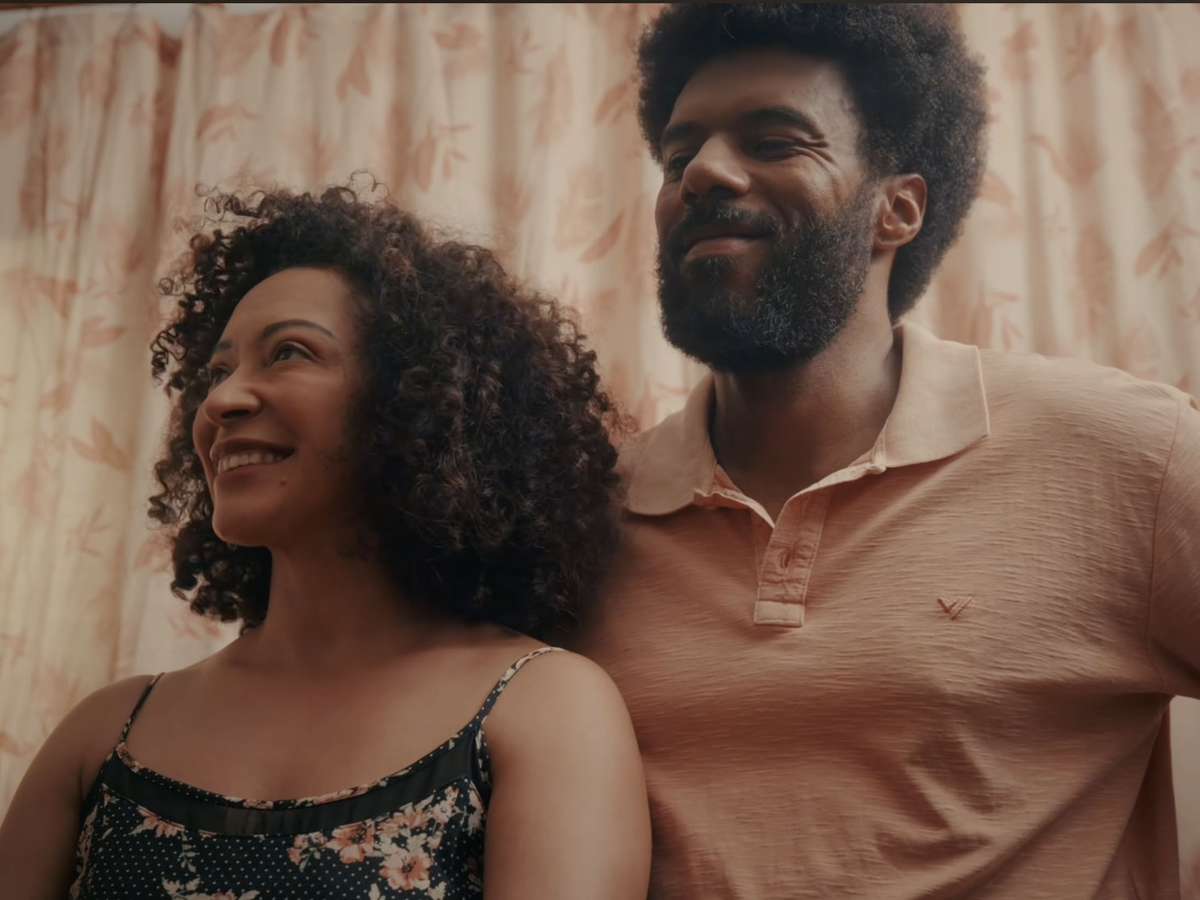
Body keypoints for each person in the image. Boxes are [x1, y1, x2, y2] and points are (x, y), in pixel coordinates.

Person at [569, 4, 1200, 899]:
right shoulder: (588, 514)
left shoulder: (1123, 453)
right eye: (678, 158)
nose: (703, 173)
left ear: (896, 211)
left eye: (775, 142)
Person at [0, 183, 651, 899]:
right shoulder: (101, 737)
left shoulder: (543, 709)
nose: (221, 401)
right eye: (217, 372)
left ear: (419, 398)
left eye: (289, 353)